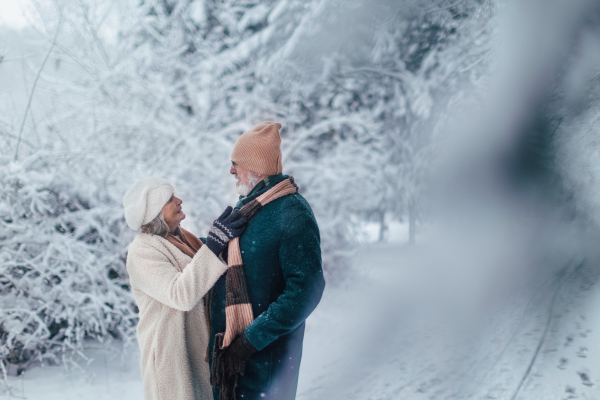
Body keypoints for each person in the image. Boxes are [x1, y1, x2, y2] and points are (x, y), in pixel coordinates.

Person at [208, 121, 326, 400]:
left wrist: (249, 341)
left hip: (265, 372)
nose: (231, 170)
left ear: (256, 167)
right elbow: (242, 261)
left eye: (236, 162)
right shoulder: (250, 208)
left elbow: (306, 289)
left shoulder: (292, 212)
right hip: (233, 366)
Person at [123, 177, 247, 400]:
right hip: (172, 363)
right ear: (155, 212)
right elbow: (181, 295)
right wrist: (214, 245)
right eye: (170, 199)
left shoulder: (183, 239)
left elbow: (206, 272)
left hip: (199, 355)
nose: (179, 200)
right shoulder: (142, 252)